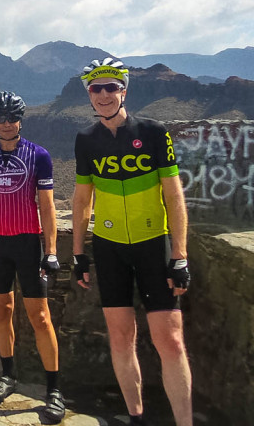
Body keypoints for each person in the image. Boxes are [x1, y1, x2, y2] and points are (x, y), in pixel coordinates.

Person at [71, 58, 192, 426]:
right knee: (121, 337)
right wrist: (78, 253)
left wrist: (181, 255)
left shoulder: (154, 132)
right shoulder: (86, 140)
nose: (104, 94)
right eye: (96, 88)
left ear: (124, 90)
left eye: (111, 87)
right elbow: (81, 200)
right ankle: (135, 417)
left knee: (169, 340)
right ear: (89, 95)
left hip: (154, 244)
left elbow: (174, 196)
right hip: (109, 248)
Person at [0, 91, 64, 422]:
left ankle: (53, 390)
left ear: (21, 119)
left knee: (40, 316)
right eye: (0, 119)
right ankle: (8, 374)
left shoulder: (40, 155)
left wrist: (50, 250)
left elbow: (47, 207)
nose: (6, 124)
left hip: (26, 242)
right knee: (2, 309)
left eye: (12, 118)